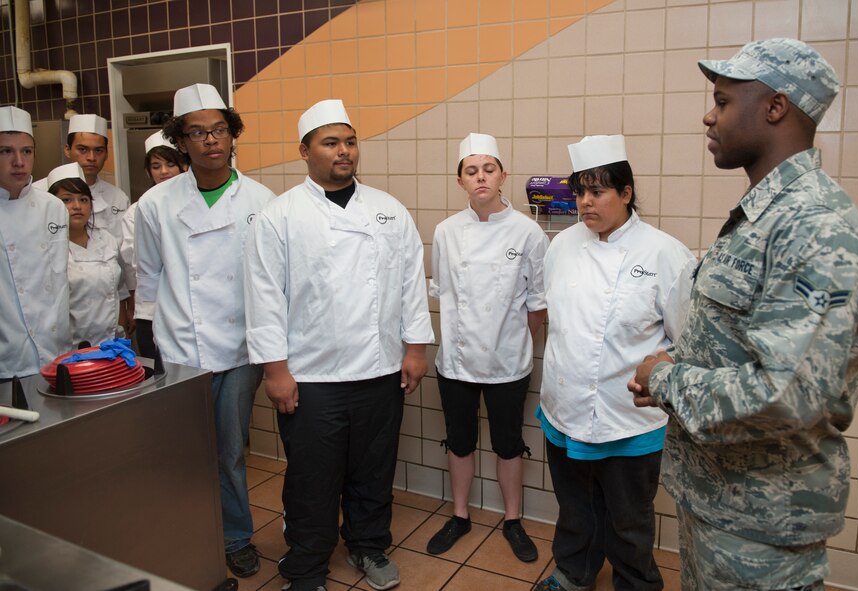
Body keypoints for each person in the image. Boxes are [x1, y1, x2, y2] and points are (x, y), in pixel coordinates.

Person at [629, 38, 858, 590]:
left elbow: (788, 394)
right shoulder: (763, 216)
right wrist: (678, 364)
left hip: (763, 525)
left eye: (722, 102)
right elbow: (739, 341)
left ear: (775, 107)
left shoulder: (813, 224)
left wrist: (666, 379)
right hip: (719, 501)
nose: (708, 116)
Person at [244, 99, 434, 591]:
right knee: (313, 478)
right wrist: (275, 371)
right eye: (331, 143)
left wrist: (415, 349)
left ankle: (368, 545)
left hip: (380, 369)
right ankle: (307, 565)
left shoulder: (388, 210)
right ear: (304, 151)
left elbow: (411, 283)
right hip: (312, 376)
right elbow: (264, 298)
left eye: (349, 141)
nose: (344, 151)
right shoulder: (280, 216)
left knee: (373, 469)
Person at [536, 135, 696, 591]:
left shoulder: (665, 254)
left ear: (626, 193)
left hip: (627, 419)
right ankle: (573, 573)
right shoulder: (562, 246)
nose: (585, 202)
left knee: (629, 522)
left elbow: (690, 342)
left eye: (597, 191)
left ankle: (636, 584)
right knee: (575, 509)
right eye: (579, 192)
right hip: (564, 408)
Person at [135, 83, 274, 578]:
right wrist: (146, 344)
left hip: (239, 348)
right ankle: (186, 534)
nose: (211, 140)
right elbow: (147, 278)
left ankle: (234, 536)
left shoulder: (261, 199)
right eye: (197, 132)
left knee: (229, 450)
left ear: (232, 135)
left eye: (219, 130)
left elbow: (273, 280)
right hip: (180, 347)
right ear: (181, 141)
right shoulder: (155, 203)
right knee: (183, 452)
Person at [426, 133, 547, 562]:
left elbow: (537, 306)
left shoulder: (528, 232)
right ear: (460, 180)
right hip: (456, 364)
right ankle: (459, 516)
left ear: (502, 176)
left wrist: (510, 342)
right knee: (459, 442)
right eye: (472, 171)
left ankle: (512, 520)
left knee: (508, 443)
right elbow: (443, 294)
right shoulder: (446, 232)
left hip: (508, 363)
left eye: (488, 169)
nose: (481, 177)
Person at [0, 106, 71, 379]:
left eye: (26, 151)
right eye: (6, 151)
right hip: (8, 360)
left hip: (57, 354)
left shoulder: (53, 207)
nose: (19, 161)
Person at [119, 130, 188, 357]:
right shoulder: (136, 212)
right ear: (148, 172)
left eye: (170, 164)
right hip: (152, 310)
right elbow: (138, 263)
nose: (164, 171)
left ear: (184, 166)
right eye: (156, 166)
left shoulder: (195, 205)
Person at [47, 162, 128, 349]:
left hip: (110, 343)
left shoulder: (106, 240)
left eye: (83, 199)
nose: (77, 206)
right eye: (67, 200)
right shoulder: (47, 248)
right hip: (70, 347)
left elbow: (117, 289)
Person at [34, 114, 130, 243]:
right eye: (83, 149)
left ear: (106, 154)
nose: (91, 157)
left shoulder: (118, 198)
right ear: (67, 150)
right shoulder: (38, 193)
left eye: (99, 150)